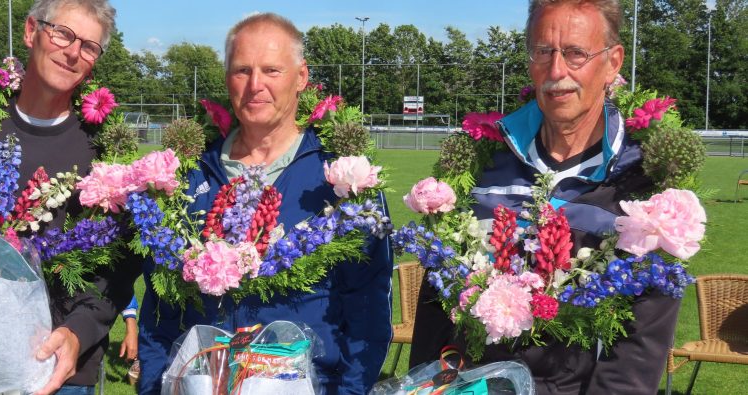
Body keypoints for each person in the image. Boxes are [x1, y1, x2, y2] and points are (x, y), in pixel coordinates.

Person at [409, 0, 680, 394]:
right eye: (543, 52)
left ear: (613, 61)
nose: (557, 71)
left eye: (576, 53)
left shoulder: (645, 187)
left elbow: (637, 354)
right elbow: (439, 297)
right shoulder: (482, 165)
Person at [136, 13, 394, 395]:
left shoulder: (343, 180)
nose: (255, 85)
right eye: (242, 70)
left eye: (271, 70)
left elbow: (368, 310)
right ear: (227, 78)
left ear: (301, 77)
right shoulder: (188, 176)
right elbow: (160, 307)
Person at [0, 0, 139, 393]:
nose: (72, 52)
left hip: (55, 366)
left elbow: (116, 270)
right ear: (31, 31)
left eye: (89, 46)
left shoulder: (103, 155)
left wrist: (77, 333)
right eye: (63, 33)